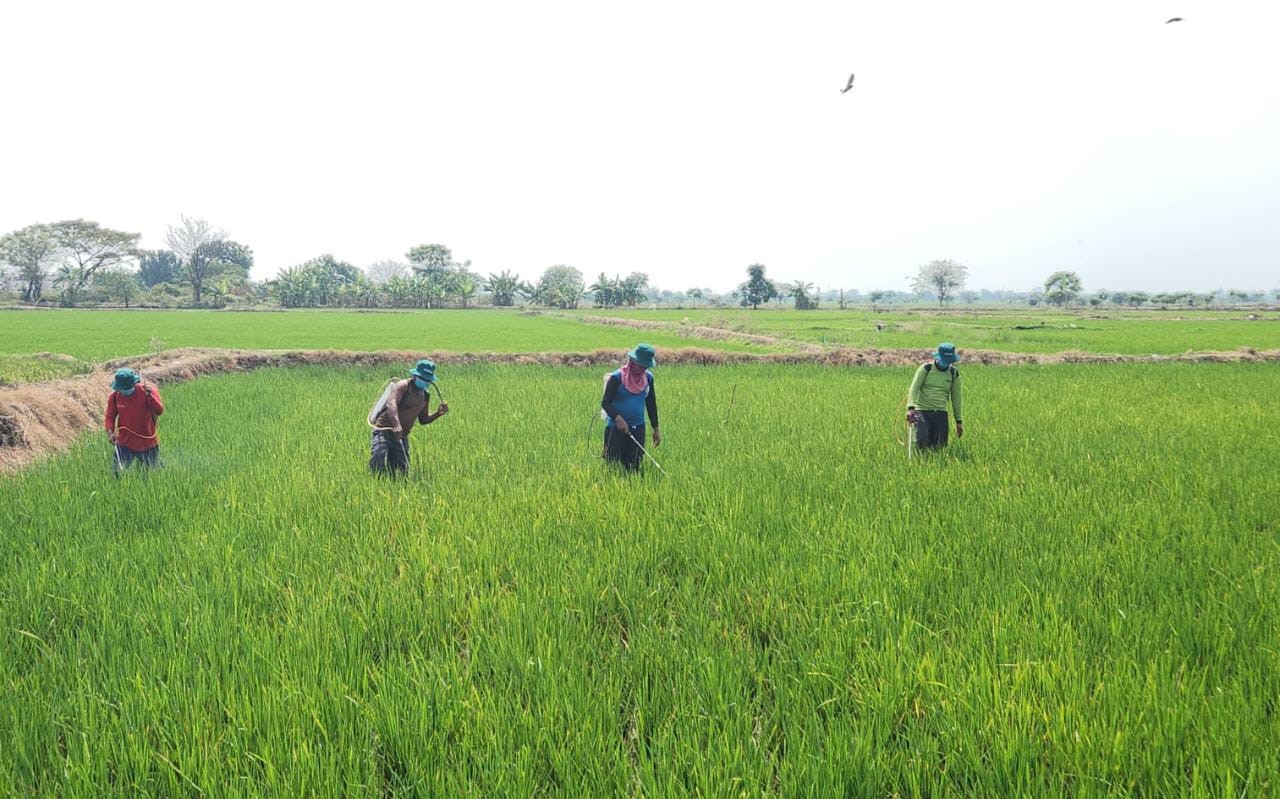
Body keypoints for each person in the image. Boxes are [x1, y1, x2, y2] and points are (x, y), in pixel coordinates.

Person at [369, 359, 449, 477]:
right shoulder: (403, 386)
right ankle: (375, 482)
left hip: (401, 435)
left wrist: (438, 413)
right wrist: (396, 425)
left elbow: (423, 419)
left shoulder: (425, 395)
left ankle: (392, 487)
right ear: (415, 375)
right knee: (379, 455)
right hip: (384, 430)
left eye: (427, 380)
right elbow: (391, 404)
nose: (425, 382)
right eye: (423, 379)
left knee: (402, 471)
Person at [601, 343, 661, 471]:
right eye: (641, 366)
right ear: (633, 362)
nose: (644, 369)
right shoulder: (617, 378)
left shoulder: (648, 378)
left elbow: (651, 403)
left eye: (646, 366)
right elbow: (606, 402)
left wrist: (655, 428)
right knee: (613, 466)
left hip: (638, 427)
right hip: (615, 429)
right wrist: (617, 418)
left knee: (634, 465)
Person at [104, 368, 164, 474]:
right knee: (117, 474)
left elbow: (159, 411)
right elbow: (110, 416)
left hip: (147, 443)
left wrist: (151, 397)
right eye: (122, 389)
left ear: (134, 383)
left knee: (151, 476)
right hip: (124, 443)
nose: (125, 391)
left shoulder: (147, 392)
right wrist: (110, 432)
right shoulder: (115, 397)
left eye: (128, 388)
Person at [906, 342, 964, 451]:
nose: (946, 364)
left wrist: (959, 421)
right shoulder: (926, 368)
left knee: (940, 446)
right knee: (922, 440)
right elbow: (914, 388)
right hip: (922, 411)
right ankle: (920, 465)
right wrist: (910, 408)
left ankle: (936, 466)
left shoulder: (953, 373)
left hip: (940, 412)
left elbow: (957, 398)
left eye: (949, 362)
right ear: (938, 357)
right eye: (944, 361)